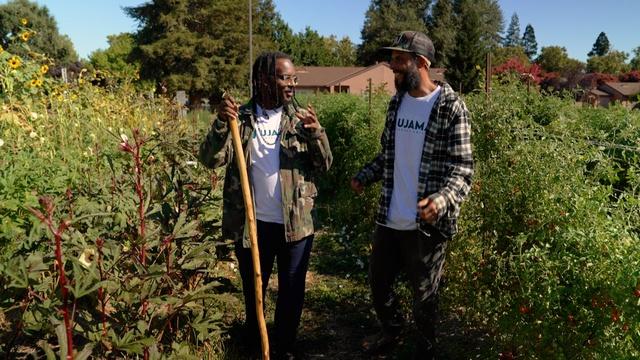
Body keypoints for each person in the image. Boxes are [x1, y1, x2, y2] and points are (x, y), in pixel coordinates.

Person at [199, 51, 332, 359]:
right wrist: (220, 124)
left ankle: (284, 346)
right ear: (263, 81)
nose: (291, 85)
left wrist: (316, 135)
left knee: (291, 289)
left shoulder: (299, 118)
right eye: (285, 78)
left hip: (295, 223)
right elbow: (209, 159)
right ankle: (257, 341)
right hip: (251, 224)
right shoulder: (239, 119)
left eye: (293, 78)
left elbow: (324, 166)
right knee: (253, 289)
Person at [351, 31, 473, 359]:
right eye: (392, 60)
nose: (393, 66)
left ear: (422, 63)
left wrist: (440, 201)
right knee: (378, 284)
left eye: (399, 60)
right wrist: (365, 175)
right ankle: (392, 331)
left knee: (425, 299)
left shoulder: (450, 107)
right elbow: (387, 154)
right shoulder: (397, 103)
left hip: (426, 226)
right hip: (390, 218)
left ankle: (424, 351)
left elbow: (463, 169)